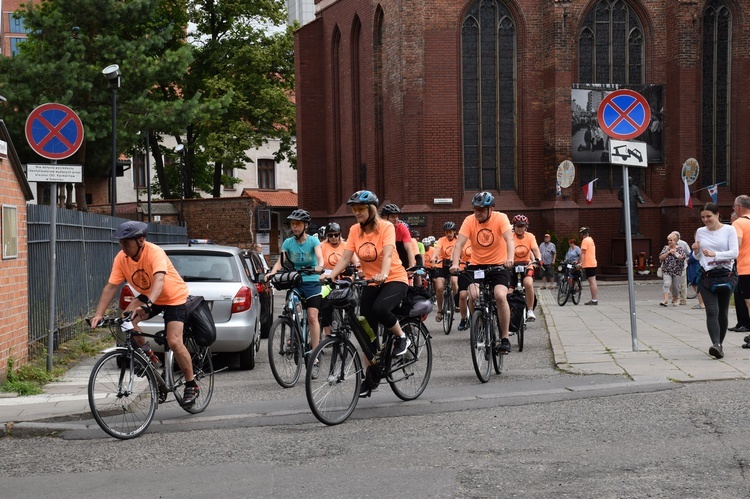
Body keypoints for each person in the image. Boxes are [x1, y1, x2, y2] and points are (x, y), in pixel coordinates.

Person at [89, 221, 200, 406]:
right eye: (121, 243)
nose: (123, 247)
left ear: (141, 240)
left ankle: (191, 384)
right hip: (150, 295)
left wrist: (149, 305)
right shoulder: (121, 258)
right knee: (126, 319)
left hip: (173, 297)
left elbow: (159, 280)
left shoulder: (154, 252)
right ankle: (149, 354)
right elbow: (111, 287)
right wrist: (98, 314)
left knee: (173, 341)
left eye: (127, 243)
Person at [326, 190, 412, 396]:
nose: (356, 213)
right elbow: (346, 257)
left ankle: (402, 337)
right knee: (366, 331)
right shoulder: (355, 230)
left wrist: (383, 272)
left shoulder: (386, 227)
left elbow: (389, 253)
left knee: (381, 309)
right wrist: (330, 275)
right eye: (354, 210)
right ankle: (370, 376)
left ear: (372, 210)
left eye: (361, 209)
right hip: (371, 283)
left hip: (394, 279)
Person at [450, 191, 515, 354]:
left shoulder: (501, 218)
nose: (477, 213)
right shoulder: (469, 221)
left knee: (500, 296)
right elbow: (458, 245)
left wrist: (510, 259)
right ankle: (479, 323)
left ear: (491, 209)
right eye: (475, 209)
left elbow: (509, 239)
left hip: (499, 266)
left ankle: (505, 337)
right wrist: (455, 264)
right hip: (477, 266)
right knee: (473, 295)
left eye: (481, 209)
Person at [267, 209, 324, 354]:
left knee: (312, 317)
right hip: (296, 281)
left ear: (305, 225)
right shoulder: (287, 242)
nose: (295, 227)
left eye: (298, 224)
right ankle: (293, 336)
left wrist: (320, 266)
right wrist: (272, 273)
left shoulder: (313, 240)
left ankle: (315, 352)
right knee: (290, 307)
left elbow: (320, 256)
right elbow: (281, 262)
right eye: (293, 224)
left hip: (312, 281)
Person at [692, 203, 739, 359]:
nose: (705, 220)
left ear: (718, 214)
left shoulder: (729, 230)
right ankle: (716, 344)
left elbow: (734, 253)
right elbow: (699, 257)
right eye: (703, 217)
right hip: (707, 276)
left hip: (726, 275)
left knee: (722, 311)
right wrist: (696, 251)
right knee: (712, 311)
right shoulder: (700, 231)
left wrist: (715, 255)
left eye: (709, 216)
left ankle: (720, 343)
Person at [510, 214, 541, 322]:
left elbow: (535, 249)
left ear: (526, 227)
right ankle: (510, 313)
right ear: (514, 226)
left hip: (527, 264)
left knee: (528, 283)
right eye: (517, 226)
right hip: (512, 265)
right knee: (509, 291)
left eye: (522, 226)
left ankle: (530, 310)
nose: (519, 228)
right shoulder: (509, 236)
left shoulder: (530, 236)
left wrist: (538, 259)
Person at [432, 221, 459, 324]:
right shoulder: (441, 240)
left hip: (454, 264)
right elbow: (437, 249)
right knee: (439, 287)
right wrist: (434, 257)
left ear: (454, 231)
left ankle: (456, 302)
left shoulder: (458, 240)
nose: (449, 234)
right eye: (447, 232)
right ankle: (440, 310)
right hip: (442, 265)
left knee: (454, 281)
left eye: (450, 232)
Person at [731, 196, 750, 334]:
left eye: (734, 207)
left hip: (745, 267)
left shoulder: (739, 223)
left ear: (738, 206)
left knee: (748, 301)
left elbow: (736, 245)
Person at [380, 204, 416, 270]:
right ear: (384, 218)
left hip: (400, 258)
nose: (396, 219)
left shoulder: (402, 228)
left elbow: (409, 249)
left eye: (397, 216)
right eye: (392, 217)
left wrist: (411, 266)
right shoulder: (378, 229)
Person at [658, 232, 687, 307]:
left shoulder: (679, 249)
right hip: (667, 270)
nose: (669, 242)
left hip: (677, 270)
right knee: (666, 284)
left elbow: (682, 258)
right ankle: (665, 300)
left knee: (676, 286)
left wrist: (675, 253)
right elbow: (661, 257)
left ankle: (675, 299)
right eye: (669, 240)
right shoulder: (666, 248)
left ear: (676, 241)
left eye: (671, 240)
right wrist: (668, 252)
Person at [578, 227, 599, 305]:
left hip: (588, 264)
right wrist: (578, 260)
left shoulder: (585, 240)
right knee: (593, 282)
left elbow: (583, 253)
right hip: (593, 263)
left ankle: (594, 300)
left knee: (592, 282)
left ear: (583, 234)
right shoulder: (591, 240)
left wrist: (580, 263)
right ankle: (594, 299)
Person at [674, 232, 692, 305]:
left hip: (682, 266)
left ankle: (683, 299)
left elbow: (689, 253)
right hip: (672, 267)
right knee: (674, 284)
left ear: (677, 238)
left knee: (682, 284)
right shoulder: (670, 244)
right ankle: (675, 298)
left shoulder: (683, 244)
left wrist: (686, 260)